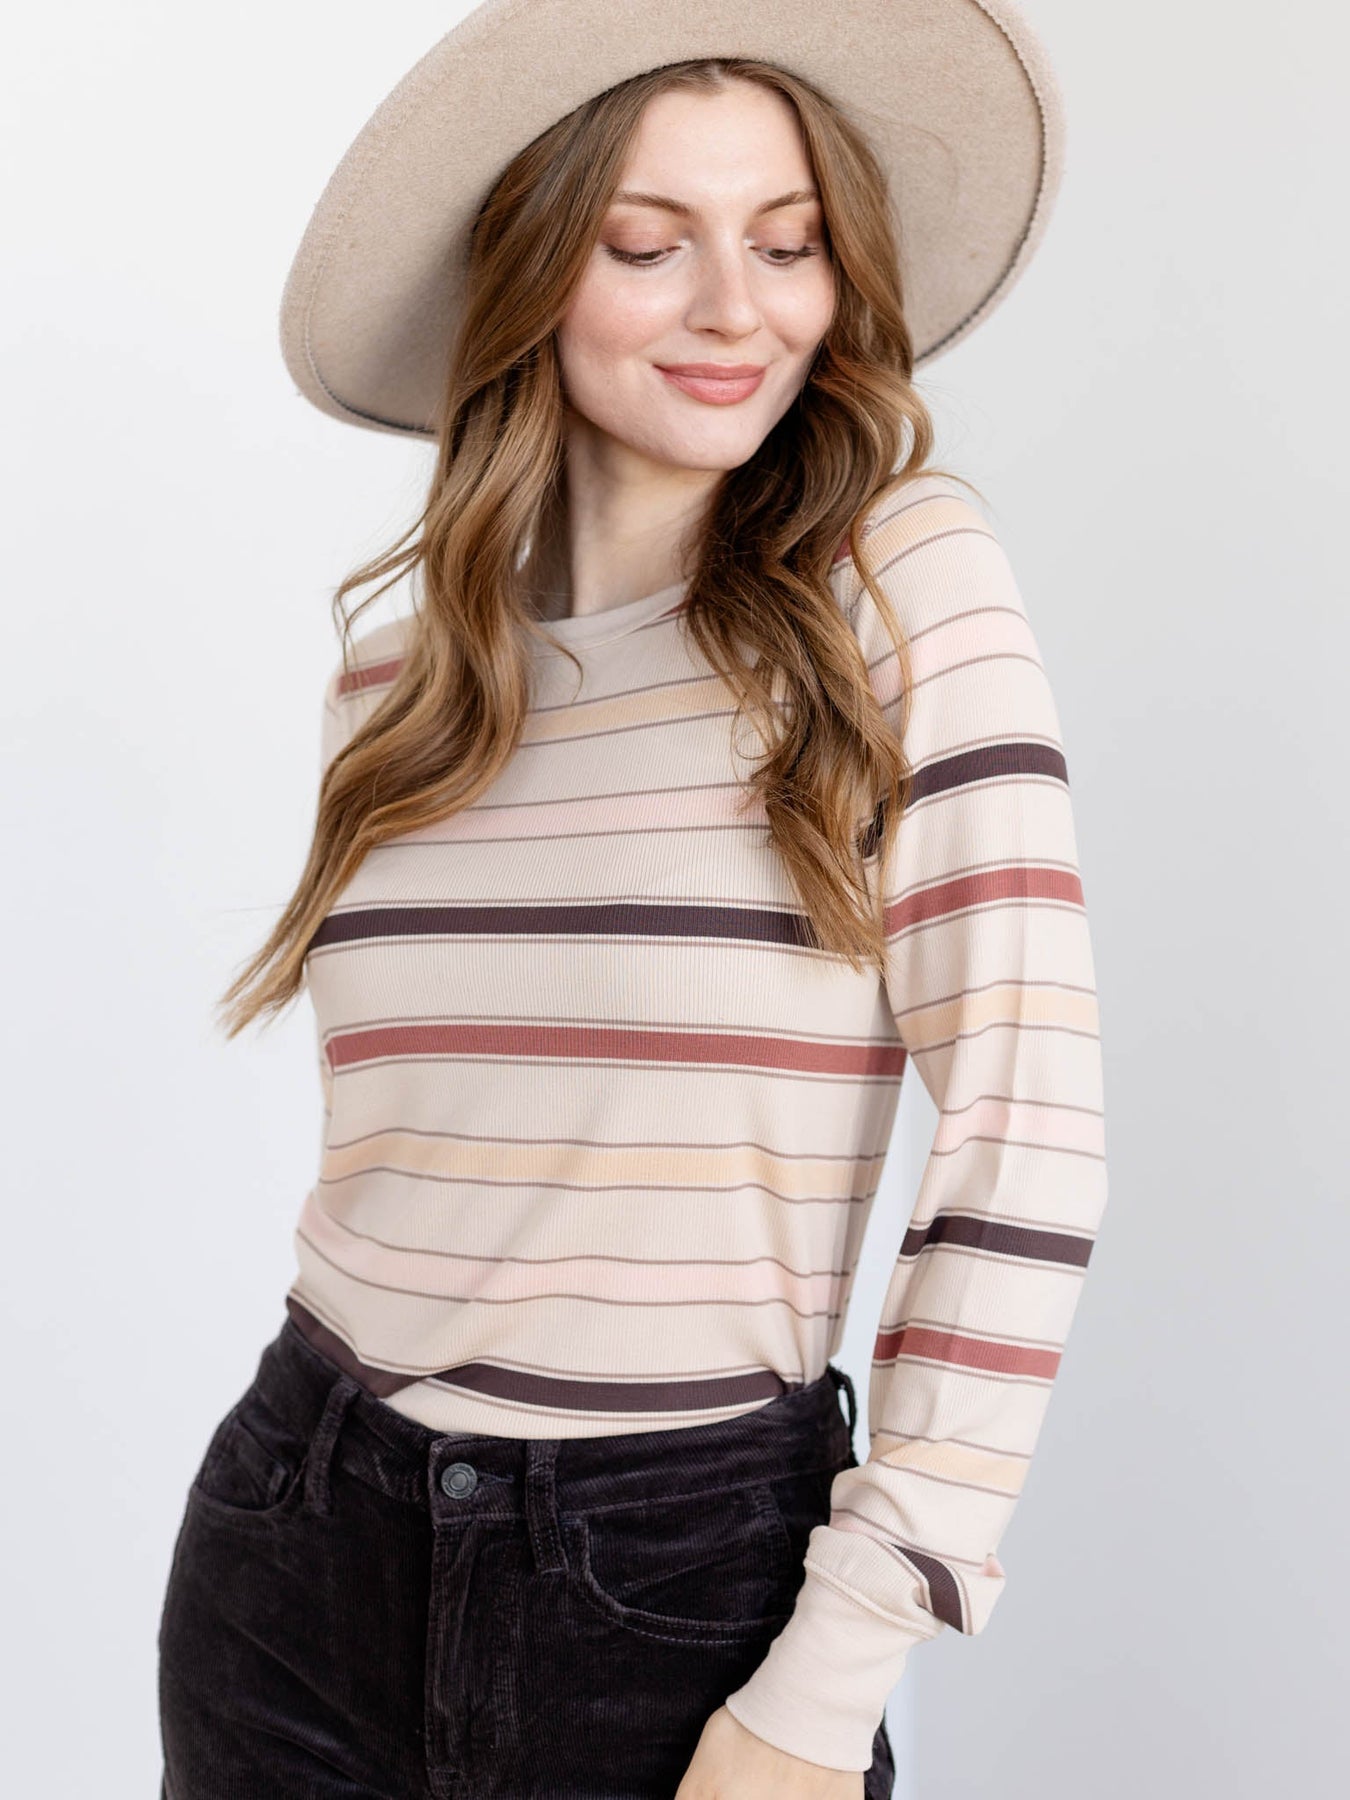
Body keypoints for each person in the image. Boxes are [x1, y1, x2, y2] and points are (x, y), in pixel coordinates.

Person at [156, 4, 1107, 1797]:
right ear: (530, 272)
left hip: (672, 1585)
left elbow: (1026, 1149)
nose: (735, 308)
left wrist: (828, 1682)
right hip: (300, 1536)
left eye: (787, 245)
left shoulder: (896, 586)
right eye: (647, 245)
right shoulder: (398, 682)